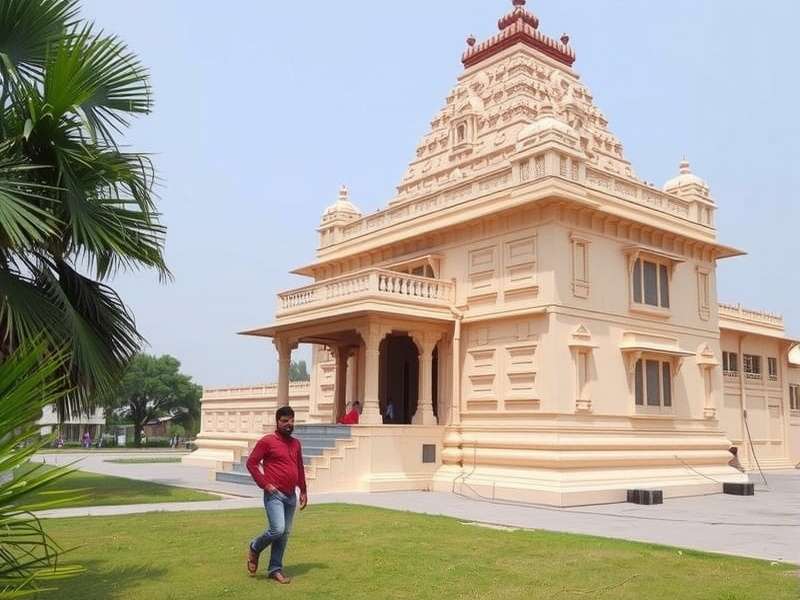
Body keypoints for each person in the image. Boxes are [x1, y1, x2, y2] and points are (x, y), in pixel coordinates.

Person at [246, 406, 308, 584]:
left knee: (284, 533)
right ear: (277, 422)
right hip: (275, 494)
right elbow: (251, 463)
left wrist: (303, 490)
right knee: (277, 529)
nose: (289, 424)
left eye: (291, 420)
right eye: (285, 421)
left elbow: (300, 468)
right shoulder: (268, 441)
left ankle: (275, 569)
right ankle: (255, 547)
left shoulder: (296, 443)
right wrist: (265, 484)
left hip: (290, 495)